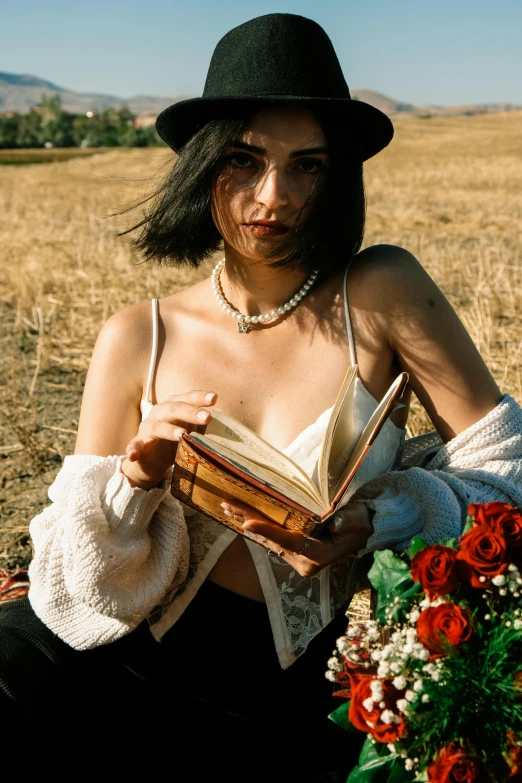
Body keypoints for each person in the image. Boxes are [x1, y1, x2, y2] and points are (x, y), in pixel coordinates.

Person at [1, 12, 521, 782]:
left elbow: (504, 475)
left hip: (318, 691)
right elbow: (82, 591)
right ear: (203, 163)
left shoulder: (381, 292)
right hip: (137, 673)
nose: (273, 196)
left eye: (307, 165)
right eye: (244, 159)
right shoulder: (135, 337)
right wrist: (133, 485)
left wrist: (379, 517)